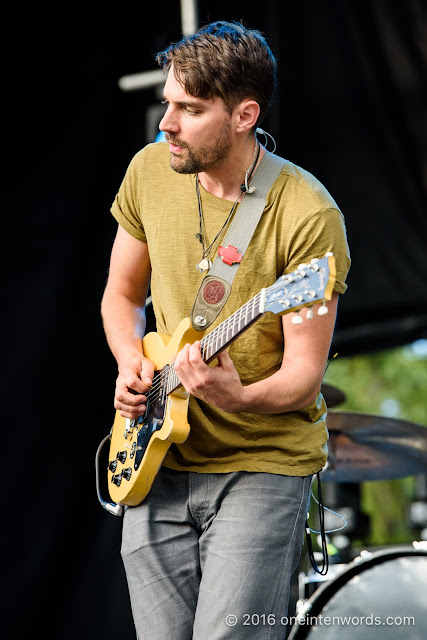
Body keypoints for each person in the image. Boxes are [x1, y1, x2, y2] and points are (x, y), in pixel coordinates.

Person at [101, 20, 350, 640]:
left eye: (189, 108)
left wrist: (234, 396)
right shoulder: (149, 171)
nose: (167, 124)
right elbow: (121, 295)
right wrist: (132, 363)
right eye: (168, 103)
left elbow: (301, 378)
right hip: (155, 460)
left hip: (259, 467)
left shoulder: (307, 215)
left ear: (244, 114)